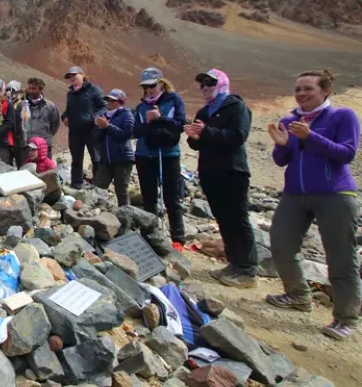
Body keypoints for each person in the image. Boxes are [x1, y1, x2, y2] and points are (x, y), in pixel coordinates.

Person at [264, 70, 360, 340]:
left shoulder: (343, 116)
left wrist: (310, 137)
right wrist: (282, 146)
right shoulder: (289, 120)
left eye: (308, 89)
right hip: (295, 194)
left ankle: (345, 317)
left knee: (341, 256)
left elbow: (347, 153)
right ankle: (297, 295)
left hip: (336, 194)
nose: (302, 94)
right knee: (281, 243)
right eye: (298, 90)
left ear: (325, 91)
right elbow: (282, 160)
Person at [184, 70, 257, 287]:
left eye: (210, 83)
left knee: (238, 218)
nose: (205, 87)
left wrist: (207, 132)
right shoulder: (204, 111)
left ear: (222, 84)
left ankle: (248, 269)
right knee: (223, 219)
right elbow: (197, 143)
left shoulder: (236, 107)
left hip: (232, 170)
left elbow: (238, 136)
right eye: (203, 84)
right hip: (209, 170)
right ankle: (234, 263)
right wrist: (195, 137)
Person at [133, 67, 187, 249]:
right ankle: (152, 235)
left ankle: (178, 238)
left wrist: (161, 117)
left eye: (152, 85)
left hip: (168, 154)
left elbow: (181, 124)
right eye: (146, 87)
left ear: (161, 83)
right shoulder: (141, 107)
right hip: (144, 155)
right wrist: (148, 122)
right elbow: (135, 131)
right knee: (149, 197)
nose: (149, 90)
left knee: (171, 197)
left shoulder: (174, 100)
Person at [61, 66, 106, 189]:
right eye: (69, 77)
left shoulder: (94, 90)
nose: (72, 78)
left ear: (82, 74)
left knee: (96, 158)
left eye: (74, 75)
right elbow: (69, 110)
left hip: (91, 129)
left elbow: (104, 106)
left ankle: (99, 185)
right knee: (76, 159)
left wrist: (93, 118)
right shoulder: (70, 94)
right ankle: (76, 184)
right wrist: (64, 116)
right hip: (75, 131)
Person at [94, 89, 135, 207]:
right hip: (106, 158)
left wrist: (107, 126)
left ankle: (125, 214)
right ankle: (98, 211)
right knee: (99, 187)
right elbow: (96, 138)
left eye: (113, 100)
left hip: (122, 157)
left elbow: (126, 134)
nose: (109, 103)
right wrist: (100, 128)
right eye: (108, 100)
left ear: (121, 101)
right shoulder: (104, 116)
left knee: (121, 189)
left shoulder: (127, 115)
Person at [17, 77, 61, 168]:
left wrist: (44, 139)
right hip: (26, 147)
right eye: (30, 88)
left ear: (40, 89)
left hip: (44, 148)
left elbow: (55, 125)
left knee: (44, 175)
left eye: (34, 89)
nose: (31, 91)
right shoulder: (21, 106)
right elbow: (17, 124)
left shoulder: (50, 107)